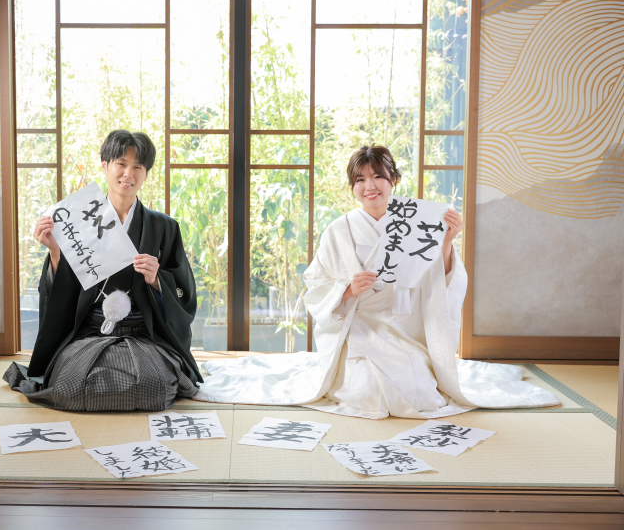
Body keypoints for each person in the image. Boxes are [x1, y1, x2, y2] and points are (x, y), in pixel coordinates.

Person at [193, 145, 559, 419]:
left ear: (393, 180)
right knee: (367, 391)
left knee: (420, 395)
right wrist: (347, 289)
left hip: (402, 328)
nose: (370, 186)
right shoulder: (339, 230)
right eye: (360, 179)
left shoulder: (418, 222)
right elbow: (316, 283)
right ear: (352, 187)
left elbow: (440, 283)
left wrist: (447, 242)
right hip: (356, 328)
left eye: (378, 177)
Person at [4, 130, 202, 411]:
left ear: (146, 174)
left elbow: (184, 292)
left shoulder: (164, 226)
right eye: (121, 164)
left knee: (154, 388)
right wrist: (55, 251)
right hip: (90, 334)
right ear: (105, 166)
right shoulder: (79, 222)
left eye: (138, 167)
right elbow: (63, 293)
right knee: (71, 384)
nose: (128, 174)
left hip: (145, 336)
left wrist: (157, 280)